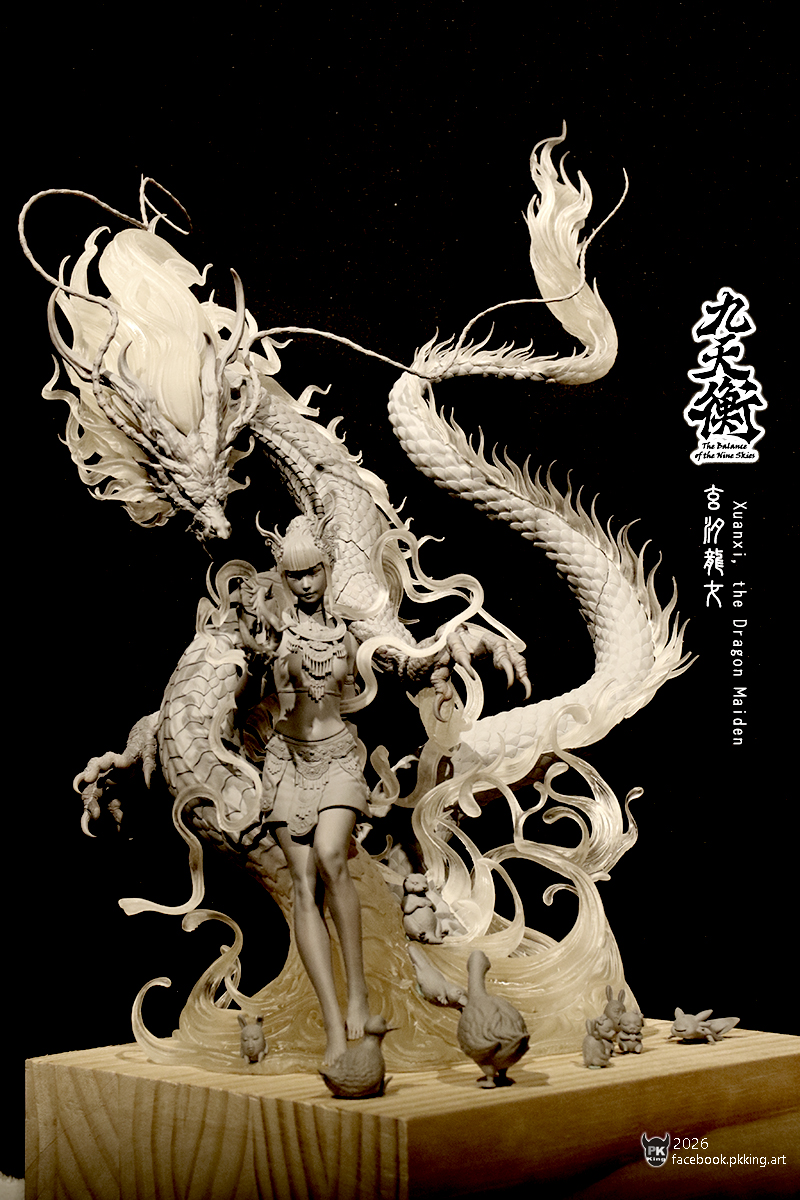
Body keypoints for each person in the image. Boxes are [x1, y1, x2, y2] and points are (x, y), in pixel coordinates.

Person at [253, 516, 372, 1066]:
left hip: (339, 757)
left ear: (328, 569)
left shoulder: (352, 627)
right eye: (294, 575)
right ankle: (333, 1028)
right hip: (288, 762)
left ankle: (358, 994)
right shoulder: (275, 628)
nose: (304, 584)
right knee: (304, 886)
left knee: (330, 856)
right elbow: (257, 662)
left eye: (313, 572)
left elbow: (391, 658)